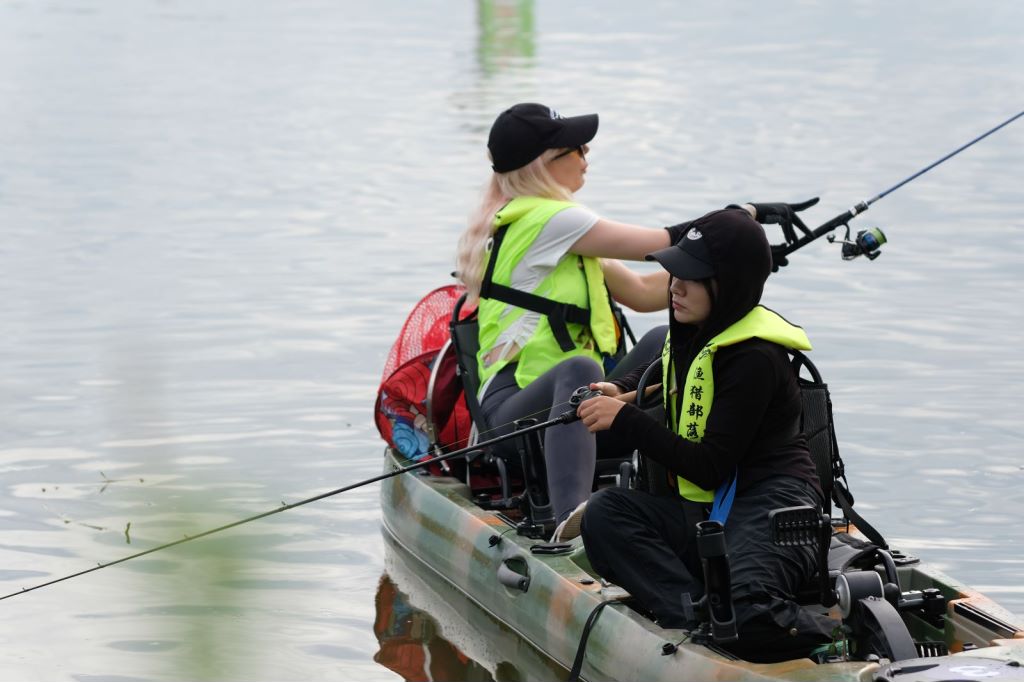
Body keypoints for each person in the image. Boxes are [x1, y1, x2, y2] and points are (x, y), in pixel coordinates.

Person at [455, 102, 815, 542]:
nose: (587, 158)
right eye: (578, 149)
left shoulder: (559, 234)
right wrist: (743, 215)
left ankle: (697, 463)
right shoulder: (549, 219)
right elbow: (665, 241)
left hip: (571, 413)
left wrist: (729, 275)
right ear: (544, 164)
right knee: (582, 369)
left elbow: (646, 295)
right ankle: (570, 524)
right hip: (515, 419)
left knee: (665, 337)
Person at [576, 208, 837, 662]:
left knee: (751, 613)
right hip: (711, 512)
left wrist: (626, 420)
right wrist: (623, 387)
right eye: (674, 273)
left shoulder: (755, 358)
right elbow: (667, 360)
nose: (674, 287)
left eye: (691, 278)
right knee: (605, 514)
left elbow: (710, 464)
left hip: (771, 502)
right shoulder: (698, 329)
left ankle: (835, 633)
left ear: (729, 283)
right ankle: (700, 622)